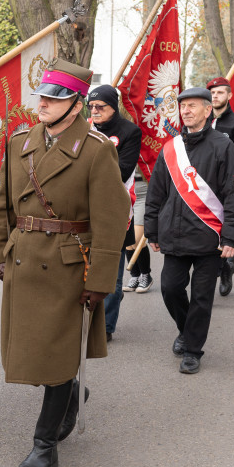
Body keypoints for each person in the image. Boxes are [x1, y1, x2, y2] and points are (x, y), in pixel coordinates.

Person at [0, 59, 128, 467]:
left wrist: (101, 281)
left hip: (69, 265)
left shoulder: (95, 148)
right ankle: (69, 389)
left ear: (76, 105)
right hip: (23, 258)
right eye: (44, 95)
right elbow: (3, 203)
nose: (45, 103)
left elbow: (111, 220)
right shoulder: (20, 142)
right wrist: (0, 252)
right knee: (30, 352)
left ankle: (44, 445)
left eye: (57, 97)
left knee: (52, 353)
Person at [145, 87, 234, 374]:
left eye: (192, 106)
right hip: (175, 235)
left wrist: (231, 237)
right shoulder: (171, 148)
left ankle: (192, 349)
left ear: (207, 110)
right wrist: (152, 229)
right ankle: (186, 329)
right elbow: (156, 192)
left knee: (202, 298)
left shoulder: (223, 145)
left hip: (210, 238)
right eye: (183, 106)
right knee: (170, 288)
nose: (186, 111)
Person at [88, 84, 141, 342]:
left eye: (101, 107)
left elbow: (122, 170)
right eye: (91, 107)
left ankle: (106, 326)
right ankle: (84, 319)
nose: (95, 111)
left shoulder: (130, 132)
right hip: (84, 209)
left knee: (112, 271)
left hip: (116, 209)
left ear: (114, 107)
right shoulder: (83, 128)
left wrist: (87, 172)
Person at [205, 76, 234, 297]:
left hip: (228, 190)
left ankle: (227, 267)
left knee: (227, 236)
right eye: (212, 93)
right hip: (204, 190)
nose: (216, 96)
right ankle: (217, 269)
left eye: (220, 92)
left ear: (229, 95)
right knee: (208, 237)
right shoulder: (201, 121)